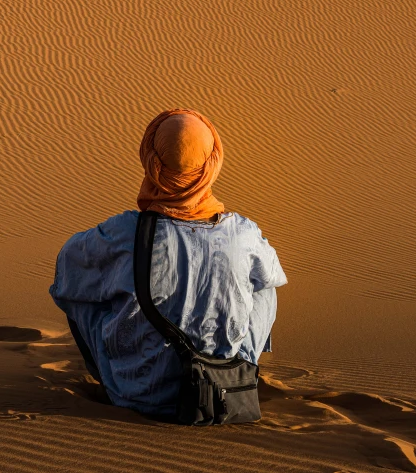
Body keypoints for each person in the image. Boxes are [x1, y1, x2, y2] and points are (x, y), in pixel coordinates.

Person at [49, 109, 286, 419]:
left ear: (150, 160)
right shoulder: (244, 233)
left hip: (136, 396)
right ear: (212, 163)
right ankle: (236, 368)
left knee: (81, 287)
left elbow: (67, 269)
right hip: (222, 393)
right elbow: (269, 280)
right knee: (264, 286)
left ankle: (122, 371)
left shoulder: (123, 232)